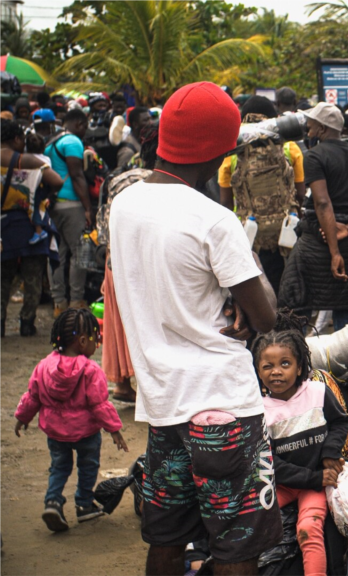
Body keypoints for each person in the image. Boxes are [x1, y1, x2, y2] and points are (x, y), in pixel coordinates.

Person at [109, 81, 282, 576]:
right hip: (224, 406)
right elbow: (266, 315)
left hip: (163, 405)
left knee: (167, 536)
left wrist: (227, 293)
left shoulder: (125, 204)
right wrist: (242, 273)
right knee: (235, 546)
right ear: (222, 149)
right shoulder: (213, 219)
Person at [14, 309, 129, 531]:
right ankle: (84, 505)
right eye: (96, 338)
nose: (98, 342)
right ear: (83, 341)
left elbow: (33, 395)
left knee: (59, 467)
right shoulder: (91, 370)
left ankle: (53, 502)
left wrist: (22, 416)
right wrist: (114, 429)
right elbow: (100, 405)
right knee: (88, 467)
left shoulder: (44, 365)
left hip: (56, 432)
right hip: (85, 433)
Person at [255, 318, 348, 576]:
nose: (276, 371)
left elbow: (340, 422)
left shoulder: (318, 392)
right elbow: (268, 462)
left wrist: (331, 453)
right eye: (268, 366)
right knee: (251, 519)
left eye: (285, 364)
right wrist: (315, 477)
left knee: (308, 530)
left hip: (315, 485)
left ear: (299, 368)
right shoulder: (259, 411)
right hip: (288, 483)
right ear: (258, 371)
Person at [280, 103, 348, 330]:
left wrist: (334, 251)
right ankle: (347, 364)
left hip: (317, 243)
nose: (308, 127)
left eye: (311, 124)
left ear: (321, 128)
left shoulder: (315, 157)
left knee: (294, 302)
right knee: (347, 307)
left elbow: (323, 202)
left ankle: (299, 359)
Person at [96, 124, 159, 403]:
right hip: (141, 258)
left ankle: (122, 384)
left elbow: (103, 223)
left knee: (118, 318)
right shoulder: (158, 182)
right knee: (148, 318)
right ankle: (148, 386)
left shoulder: (118, 177)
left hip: (114, 255)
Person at [219, 95, 306, 294]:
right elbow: (301, 194)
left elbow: (225, 201)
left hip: (249, 234)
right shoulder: (289, 147)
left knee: (258, 287)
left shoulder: (232, 152)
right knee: (289, 287)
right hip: (287, 230)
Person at [0, 120, 63, 337]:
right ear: (16, 139)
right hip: (29, 226)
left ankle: (0, 323)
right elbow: (57, 181)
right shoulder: (24, 160)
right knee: (33, 277)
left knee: (3, 278)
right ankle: (27, 323)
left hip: (2, 228)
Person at [45, 107, 92, 315]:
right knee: (80, 252)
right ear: (79, 124)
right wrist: (88, 208)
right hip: (72, 204)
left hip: (52, 204)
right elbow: (77, 176)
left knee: (57, 254)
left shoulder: (51, 141)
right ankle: (76, 300)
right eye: (85, 128)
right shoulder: (72, 142)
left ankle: (58, 302)